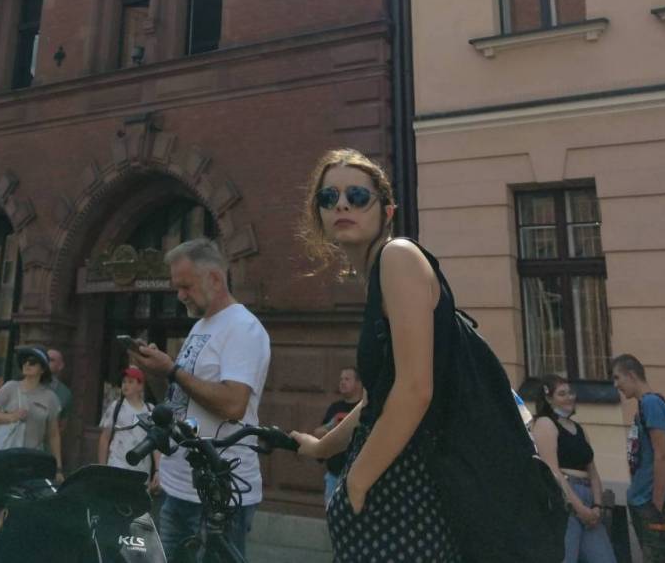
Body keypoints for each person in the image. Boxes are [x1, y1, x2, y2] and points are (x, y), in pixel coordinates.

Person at [288, 148, 459, 563]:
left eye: (358, 196)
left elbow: (415, 389)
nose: (342, 205)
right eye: (329, 197)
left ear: (387, 211)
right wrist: (323, 448)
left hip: (408, 486)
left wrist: (357, 481)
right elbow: (376, 400)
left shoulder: (398, 258)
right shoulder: (379, 276)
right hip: (397, 478)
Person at [132, 238, 271, 561]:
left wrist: (173, 369)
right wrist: (157, 371)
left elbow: (233, 405)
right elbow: (177, 401)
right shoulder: (200, 327)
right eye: (177, 287)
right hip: (178, 487)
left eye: (186, 286)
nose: (180, 295)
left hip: (219, 494)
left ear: (215, 279)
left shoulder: (243, 328)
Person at [529, 374, 616, 563]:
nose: (569, 397)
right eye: (562, 394)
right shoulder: (545, 424)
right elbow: (552, 470)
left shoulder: (579, 428)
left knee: (605, 558)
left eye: (570, 393)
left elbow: (593, 471)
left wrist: (597, 506)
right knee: (566, 556)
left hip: (589, 498)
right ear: (549, 398)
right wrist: (578, 507)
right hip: (566, 498)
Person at [610, 353, 665, 563]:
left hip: (652, 502)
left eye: (617, 377)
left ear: (632, 375)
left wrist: (657, 505)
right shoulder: (648, 404)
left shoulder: (651, 404)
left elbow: (662, 455)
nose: (616, 385)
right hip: (643, 498)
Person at [0, 345, 64, 479]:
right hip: (6, 457)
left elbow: (53, 435)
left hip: (32, 462)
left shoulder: (50, 398)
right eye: (24, 361)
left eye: (32, 362)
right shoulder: (11, 387)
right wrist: (11, 417)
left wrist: (58, 469)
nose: (27, 364)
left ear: (42, 369)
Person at [98, 366, 160, 490]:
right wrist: (102, 468)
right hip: (117, 465)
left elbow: (155, 444)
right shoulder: (116, 407)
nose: (126, 385)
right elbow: (104, 438)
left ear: (140, 386)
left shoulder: (150, 410)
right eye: (124, 381)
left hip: (141, 471)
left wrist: (158, 470)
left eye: (131, 382)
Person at [318, 368, 362, 506]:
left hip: (358, 476)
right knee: (332, 512)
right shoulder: (335, 408)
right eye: (341, 379)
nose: (342, 382)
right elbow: (318, 432)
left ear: (359, 383)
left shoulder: (365, 408)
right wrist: (332, 426)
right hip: (334, 476)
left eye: (347, 379)